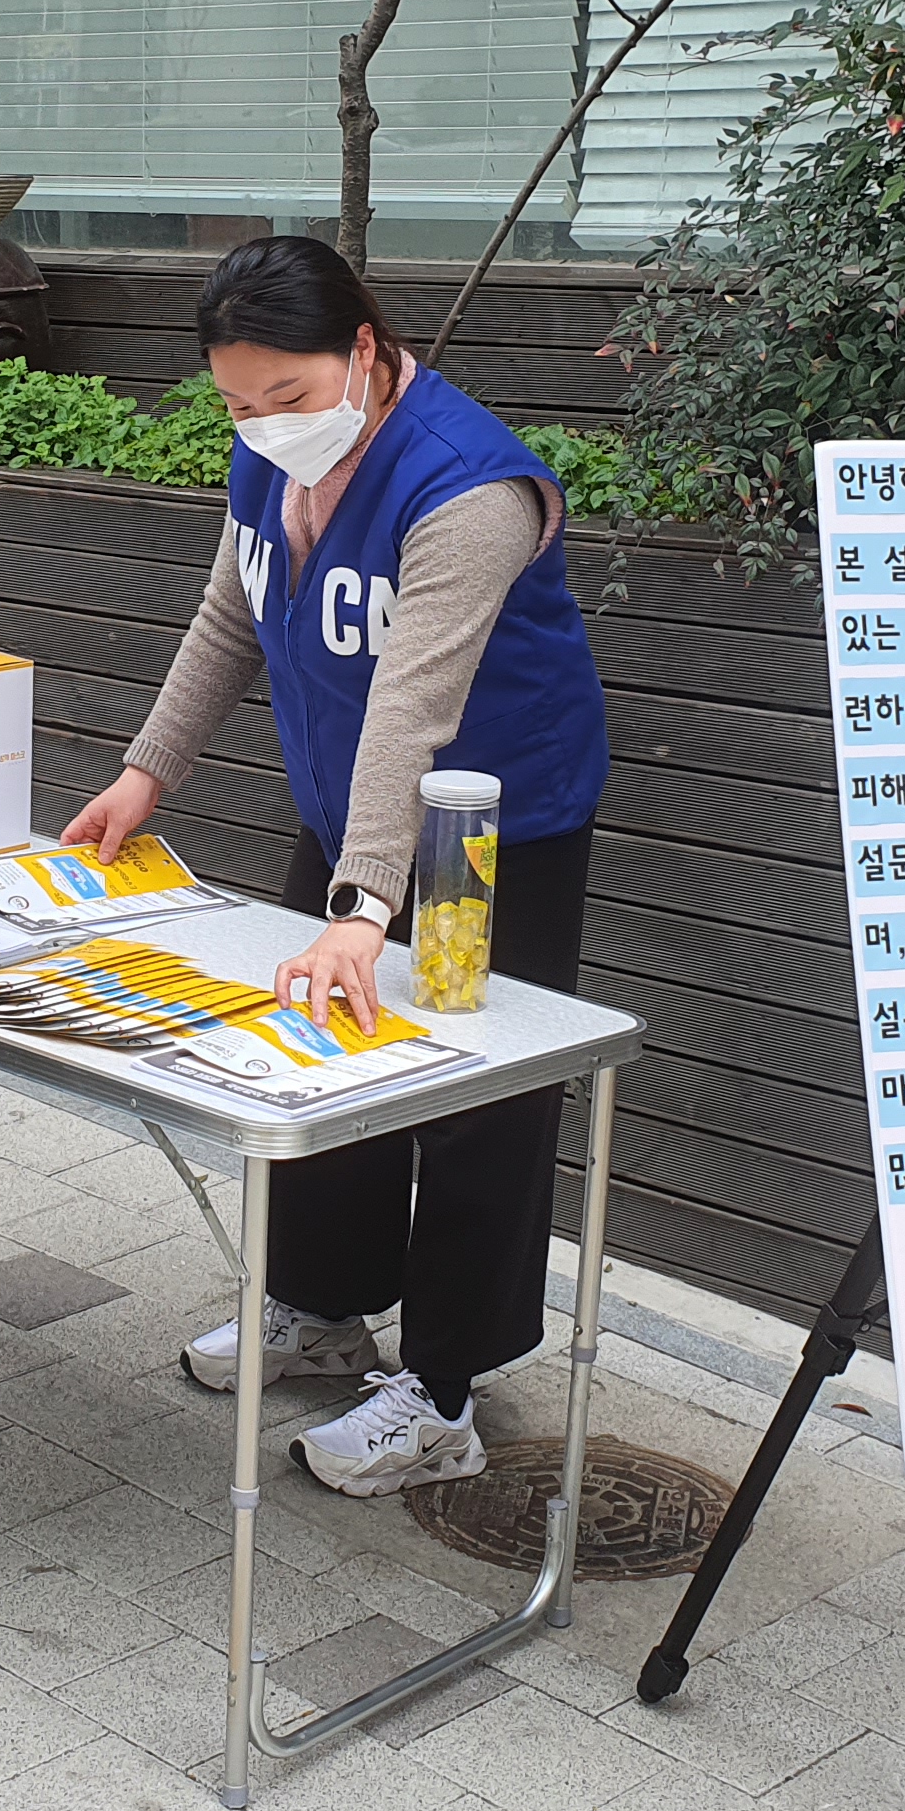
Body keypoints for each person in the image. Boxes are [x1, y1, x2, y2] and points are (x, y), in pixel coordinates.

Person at [57, 236, 610, 1499]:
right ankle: (322, 1308)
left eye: (290, 398)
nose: (264, 426)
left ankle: (449, 1390)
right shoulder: (270, 457)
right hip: (349, 806)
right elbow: (228, 616)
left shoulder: (469, 487)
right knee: (327, 1051)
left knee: (478, 1094)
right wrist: (146, 774)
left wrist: (363, 907)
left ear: (364, 351)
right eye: (238, 404)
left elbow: (414, 707)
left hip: (483, 835)